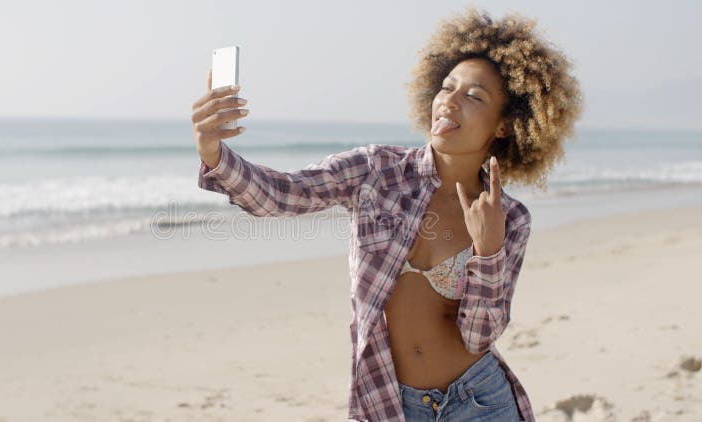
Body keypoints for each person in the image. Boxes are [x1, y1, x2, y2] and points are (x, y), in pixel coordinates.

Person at [191, 6, 582, 421]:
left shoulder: (510, 218)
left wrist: (488, 252)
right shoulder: (375, 171)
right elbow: (281, 196)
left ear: (505, 126)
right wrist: (213, 153)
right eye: (446, 87)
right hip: (393, 404)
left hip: (481, 402)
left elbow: (478, 335)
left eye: (473, 96)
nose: (449, 101)